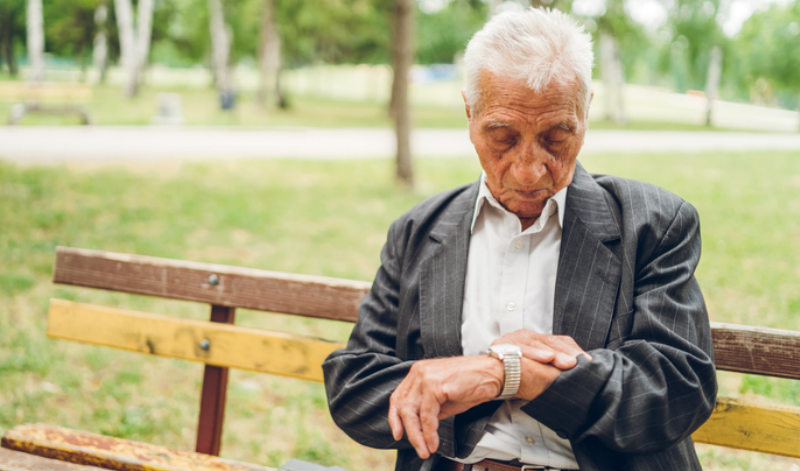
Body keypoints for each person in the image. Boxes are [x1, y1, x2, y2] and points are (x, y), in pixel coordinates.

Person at [322, 7, 717, 471]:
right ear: (469, 114)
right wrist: (465, 382)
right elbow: (353, 387)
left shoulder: (654, 225)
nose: (529, 169)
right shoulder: (418, 232)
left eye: (556, 136)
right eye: (503, 136)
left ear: (584, 113)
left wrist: (504, 374)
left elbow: (677, 391)